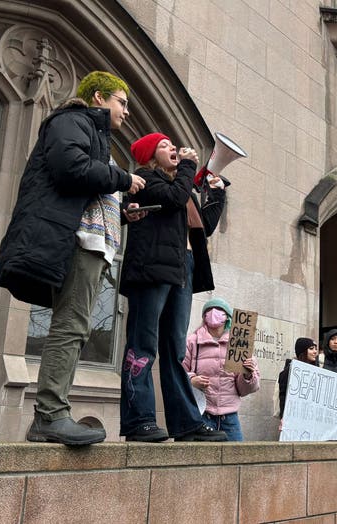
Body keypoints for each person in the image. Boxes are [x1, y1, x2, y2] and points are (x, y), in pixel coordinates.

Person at [0, 71, 146, 446]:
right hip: (79, 243)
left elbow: (88, 186)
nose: (126, 112)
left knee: (75, 326)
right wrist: (123, 179)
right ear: (99, 97)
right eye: (122, 102)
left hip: (91, 244)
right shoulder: (71, 120)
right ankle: (50, 415)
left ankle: (52, 413)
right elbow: (71, 169)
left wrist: (122, 210)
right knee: (71, 325)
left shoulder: (92, 132)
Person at [117, 132, 227, 442]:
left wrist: (217, 194)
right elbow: (174, 197)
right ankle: (139, 420)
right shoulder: (146, 177)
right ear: (151, 156)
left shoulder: (180, 185)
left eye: (173, 145)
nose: (174, 149)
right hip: (150, 270)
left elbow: (201, 226)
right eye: (165, 146)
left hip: (180, 270)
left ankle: (187, 423)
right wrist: (190, 167)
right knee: (142, 345)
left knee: (175, 351)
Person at [183, 298, 260, 441]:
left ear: (228, 318)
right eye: (209, 311)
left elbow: (245, 390)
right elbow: (179, 373)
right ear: (204, 317)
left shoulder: (239, 344)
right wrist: (192, 380)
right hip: (201, 415)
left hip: (230, 418)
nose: (213, 313)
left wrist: (248, 375)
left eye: (220, 311)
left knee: (236, 459)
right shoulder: (192, 341)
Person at [278, 337, 319, 420]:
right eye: (311, 349)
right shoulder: (289, 371)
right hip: (294, 417)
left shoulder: (317, 371)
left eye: (316, 349)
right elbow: (283, 396)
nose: (315, 352)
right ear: (302, 351)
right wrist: (283, 417)